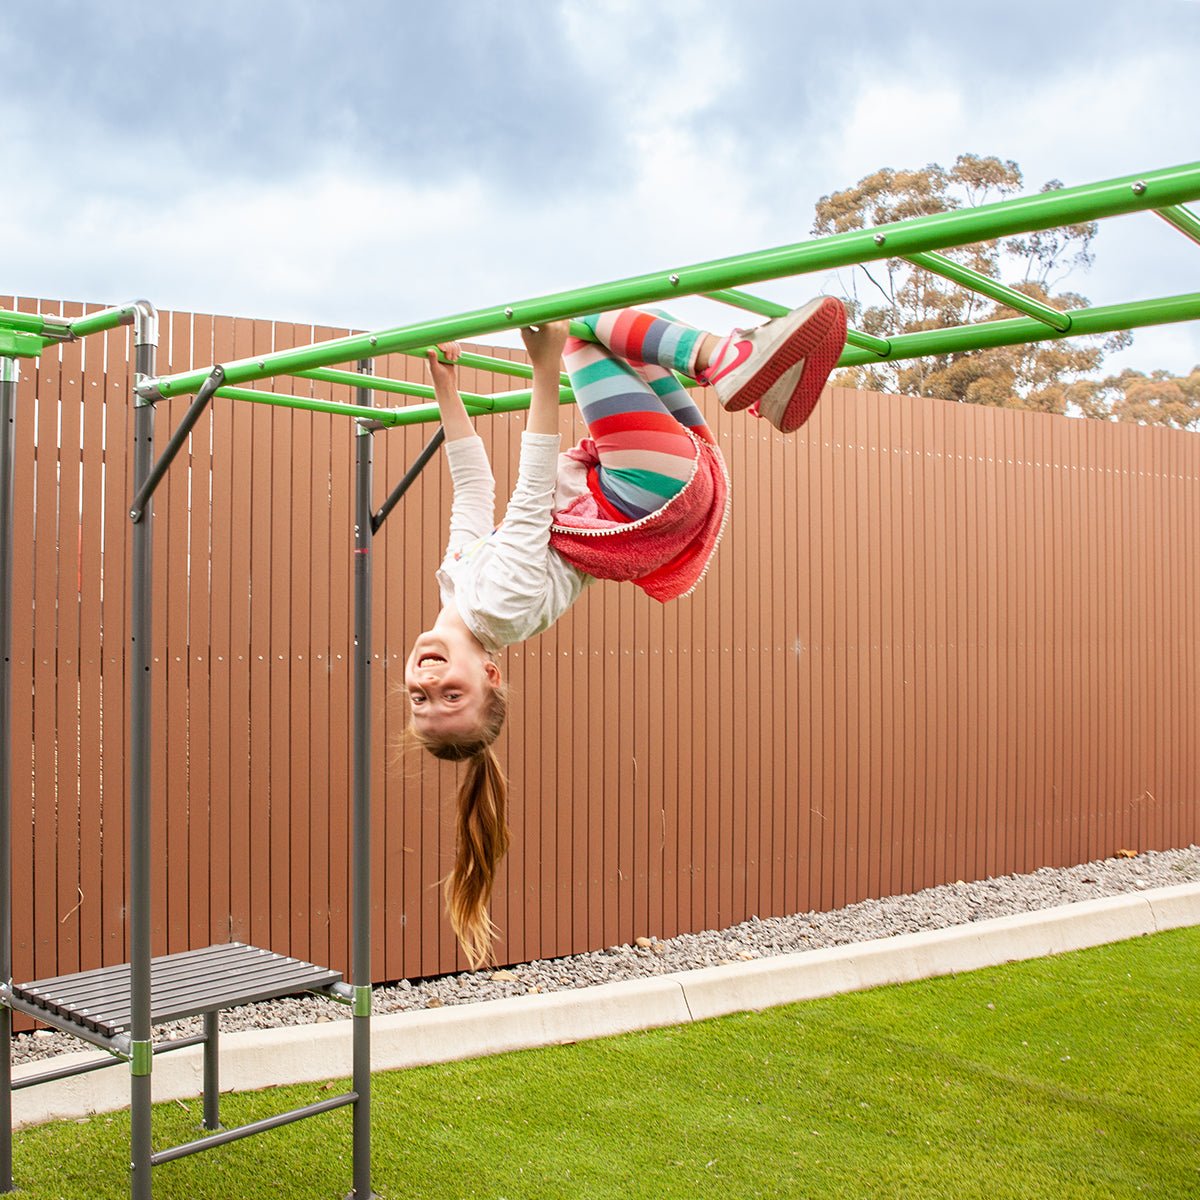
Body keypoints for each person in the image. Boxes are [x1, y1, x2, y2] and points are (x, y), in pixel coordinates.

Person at [406, 298, 847, 966]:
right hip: (641, 489)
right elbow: (527, 494)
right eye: (452, 696)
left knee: (628, 339)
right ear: (490, 676)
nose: (432, 681)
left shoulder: (459, 590)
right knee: (586, 325)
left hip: (654, 483)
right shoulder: (498, 607)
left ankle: (768, 388)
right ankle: (728, 359)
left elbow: (473, 487)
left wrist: (445, 386)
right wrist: (545, 365)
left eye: (421, 697)